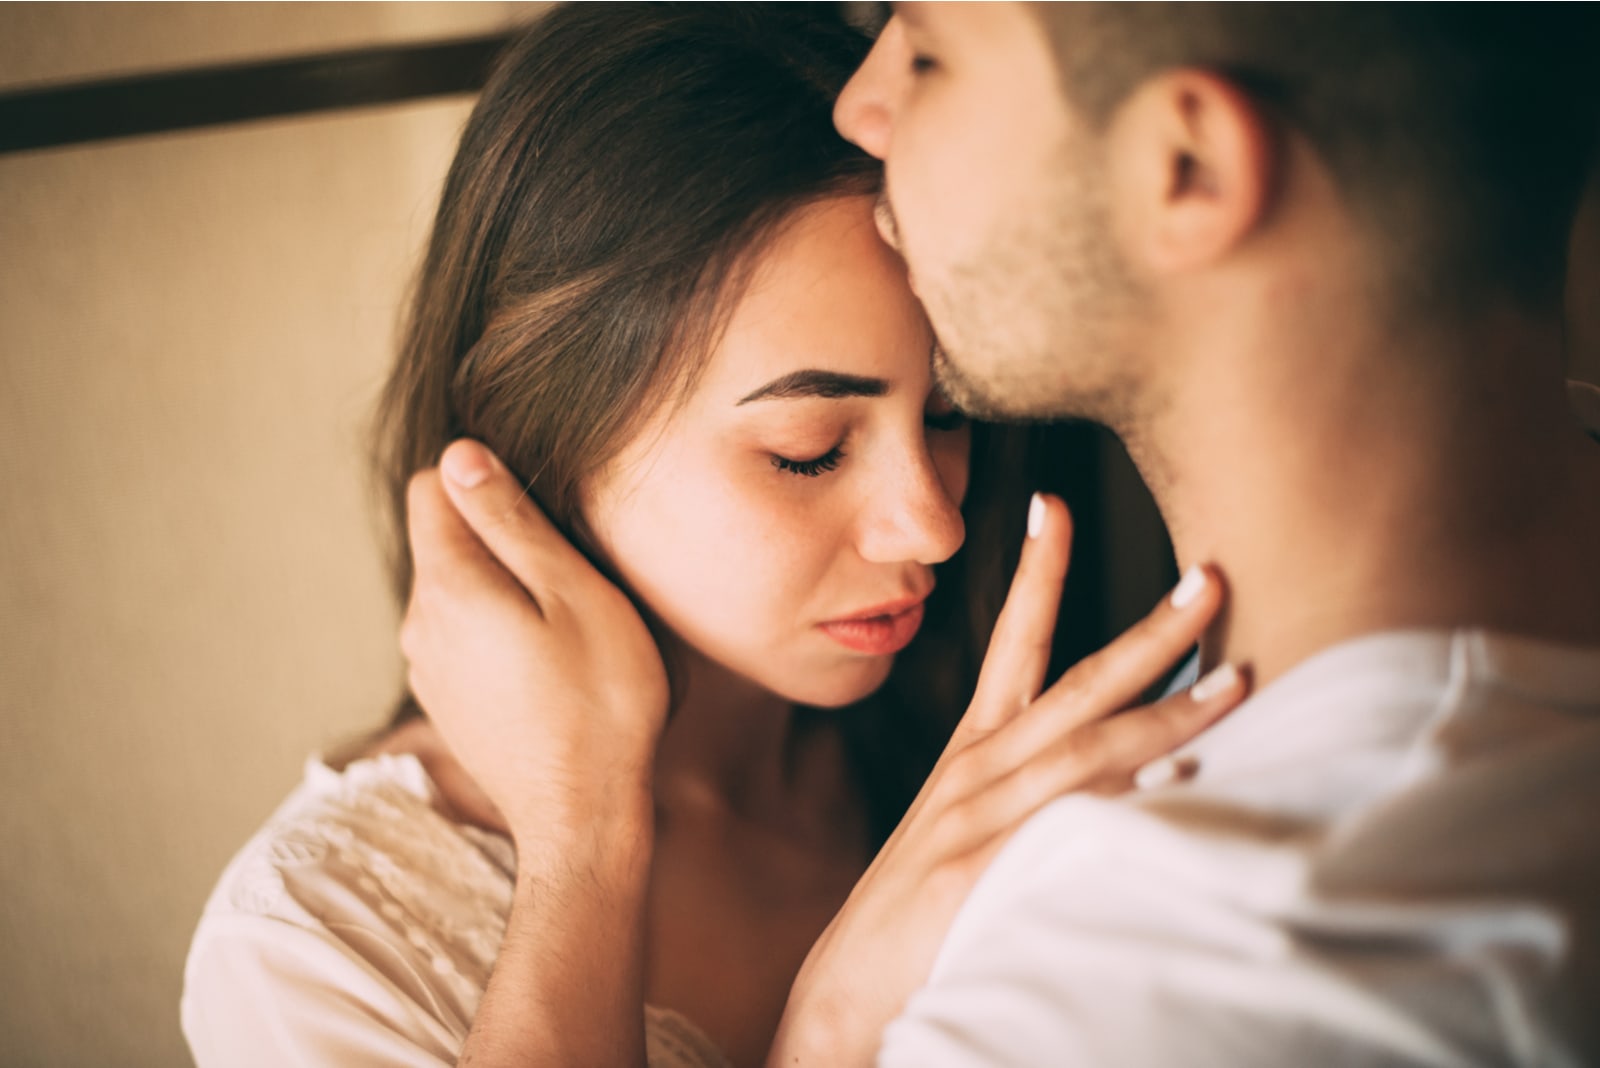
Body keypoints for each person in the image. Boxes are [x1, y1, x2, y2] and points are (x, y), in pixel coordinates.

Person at [180, 6, 1244, 1067]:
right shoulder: (315, 948)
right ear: (548, 438)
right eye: (809, 449)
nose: (934, 522)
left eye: (946, 412)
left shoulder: (983, 752)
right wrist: (591, 855)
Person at [767, 4, 1600, 1065]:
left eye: (928, 51)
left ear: (1185, 168)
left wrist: (829, 1028)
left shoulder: (1167, 984)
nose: (860, 106)